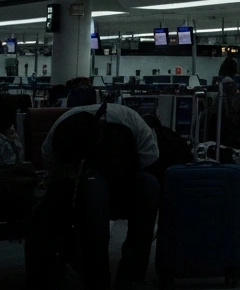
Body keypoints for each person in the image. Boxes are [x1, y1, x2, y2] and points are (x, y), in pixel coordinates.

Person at [26, 101, 159, 290]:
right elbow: (57, 174)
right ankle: (97, 275)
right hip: (83, 183)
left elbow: (149, 159)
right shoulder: (58, 137)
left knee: (149, 186)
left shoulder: (128, 121)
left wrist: (118, 176)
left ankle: (132, 274)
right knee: (94, 189)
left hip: (126, 177)